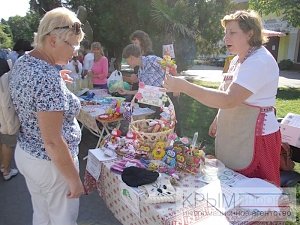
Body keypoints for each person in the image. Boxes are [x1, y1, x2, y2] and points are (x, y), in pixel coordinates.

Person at [163, 10, 281, 186]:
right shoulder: (236, 61)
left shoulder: (259, 61)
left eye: (232, 32)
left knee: (255, 195)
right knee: (229, 185)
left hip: (257, 138)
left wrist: (184, 86)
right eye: (225, 32)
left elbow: (229, 99)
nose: (226, 38)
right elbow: (225, 93)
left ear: (250, 33)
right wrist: (218, 118)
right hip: (235, 133)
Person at [9, 7, 85, 225]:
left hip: (27, 153)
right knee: (63, 220)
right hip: (52, 165)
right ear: (52, 41)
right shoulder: (47, 79)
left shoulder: (25, 62)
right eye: (72, 44)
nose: (76, 51)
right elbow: (52, 141)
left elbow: (31, 93)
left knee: (42, 215)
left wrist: (56, 77)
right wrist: (73, 179)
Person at [0, 49, 18, 181]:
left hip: (3, 109)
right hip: (5, 111)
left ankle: (3, 166)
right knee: (7, 140)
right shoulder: (4, 64)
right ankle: (6, 170)